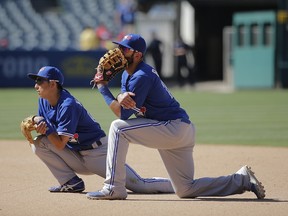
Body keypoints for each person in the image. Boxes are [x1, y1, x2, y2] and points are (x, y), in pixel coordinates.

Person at [86, 34, 266, 200]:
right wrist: (117, 96)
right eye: (120, 47)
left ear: (138, 55)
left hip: (172, 127)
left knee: (118, 128)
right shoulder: (127, 74)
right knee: (185, 189)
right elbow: (123, 102)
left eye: (125, 49)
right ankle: (241, 179)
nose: (118, 53)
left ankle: (113, 187)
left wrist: (103, 87)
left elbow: (121, 113)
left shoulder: (142, 76)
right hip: (179, 129)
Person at [26, 66, 174, 194]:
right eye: (36, 81)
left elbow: (59, 144)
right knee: (39, 143)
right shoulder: (43, 101)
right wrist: (36, 120)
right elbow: (47, 129)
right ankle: (70, 182)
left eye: (39, 81)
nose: (35, 85)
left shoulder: (67, 105)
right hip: (75, 153)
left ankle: (178, 184)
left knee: (139, 185)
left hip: (97, 153)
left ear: (52, 84)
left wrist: (46, 127)